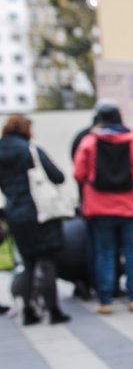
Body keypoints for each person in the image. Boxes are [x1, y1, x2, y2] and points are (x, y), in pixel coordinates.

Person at [74, 101, 133, 314]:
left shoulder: (89, 143)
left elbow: (78, 173)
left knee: (104, 252)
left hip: (99, 207)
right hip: (132, 206)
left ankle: (105, 300)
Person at [0, 115, 71, 325]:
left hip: (15, 214)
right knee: (47, 262)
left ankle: (28, 312)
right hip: (41, 213)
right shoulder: (30, 150)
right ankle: (53, 310)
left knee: (28, 263)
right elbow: (58, 176)